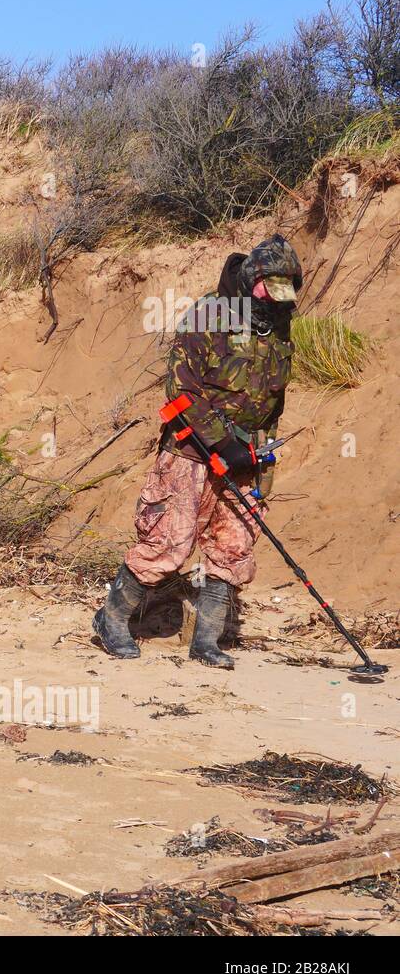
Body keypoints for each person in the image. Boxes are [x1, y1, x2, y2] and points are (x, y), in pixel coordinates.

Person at [94, 234, 301, 668]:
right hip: (191, 451)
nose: (277, 300)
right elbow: (180, 390)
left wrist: (259, 463)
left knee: (234, 548)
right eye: (270, 290)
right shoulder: (211, 313)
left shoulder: (277, 320)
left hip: (246, 455)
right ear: (252, 280)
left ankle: (207, 640)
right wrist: (221, 443)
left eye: (286, 292)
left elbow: (271, 403)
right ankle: (111, 620)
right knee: (168, 544)